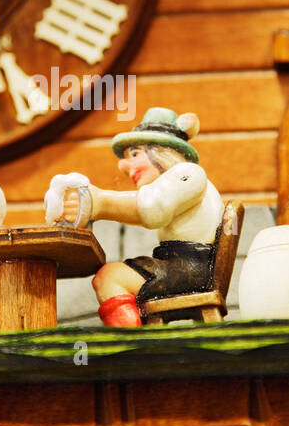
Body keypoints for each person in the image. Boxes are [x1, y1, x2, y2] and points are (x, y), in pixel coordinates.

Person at [53, 107, 224, 327]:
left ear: (161, 151)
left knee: (109, 278)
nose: (124, 166)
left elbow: (152, 208)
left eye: (134, 154)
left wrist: (99, 202)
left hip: (191, 270)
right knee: (111, 276)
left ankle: (132, 348)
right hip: (185, 266)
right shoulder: (187, 178)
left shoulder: (189, 174)